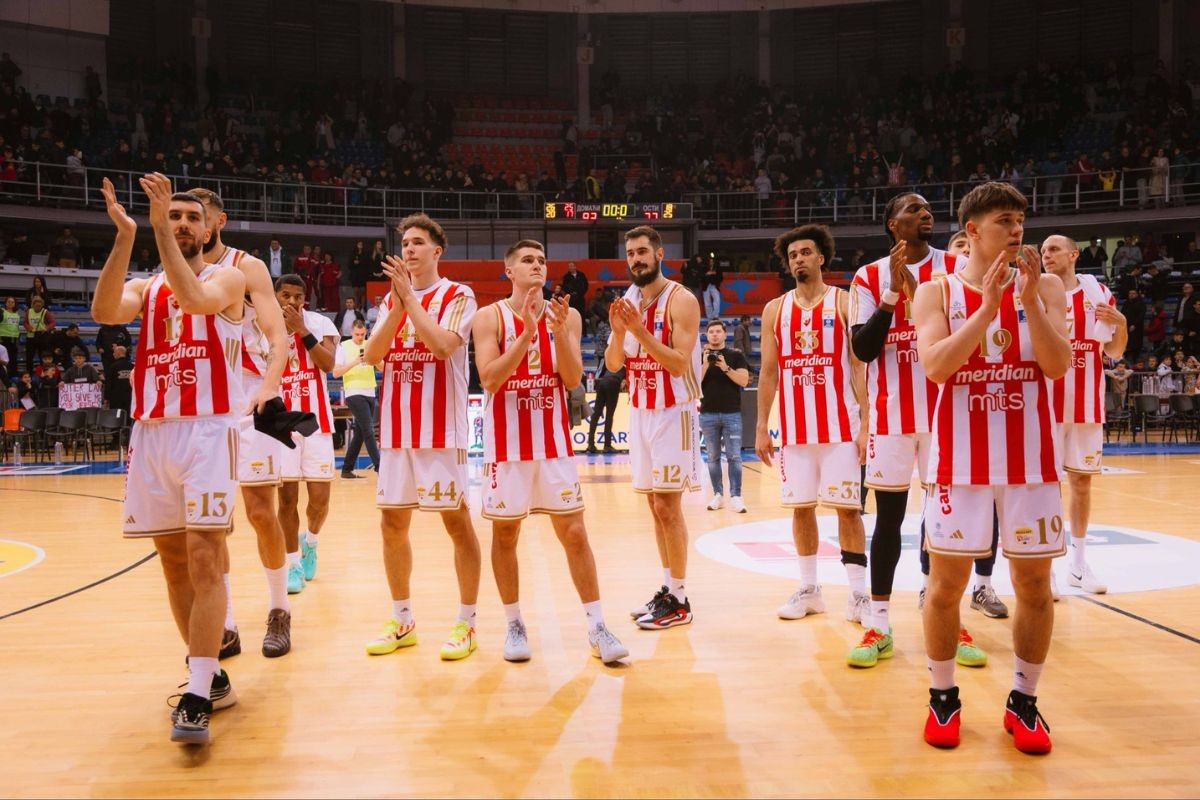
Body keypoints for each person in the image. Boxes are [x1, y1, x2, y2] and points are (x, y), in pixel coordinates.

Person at [913, 181, 1070, 754]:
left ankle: (1024, 700)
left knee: (1034, 586)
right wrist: (985, 309)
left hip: (1032, 462)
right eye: (1005, 220)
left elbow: (1058, 364)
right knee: (945, 586)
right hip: (959, 464)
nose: (1017, 229)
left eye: (1020, 219)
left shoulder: (1045, 286)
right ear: (973, 230)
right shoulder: (936, 291)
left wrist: (1028, 302)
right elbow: (936, 366)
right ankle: (943, 696)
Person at [92, 174, 247, 745]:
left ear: (208, 230)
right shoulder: (146, 285)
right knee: (173, 563)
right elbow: (104, 311)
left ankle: (197, 691)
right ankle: (210, 676)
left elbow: (196, 300)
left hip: (208, 430)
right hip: (153, 431)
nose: (181, 223)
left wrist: (157, 230)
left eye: (190, 218)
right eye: (173, 215)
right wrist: (125, 236)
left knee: (205, 557)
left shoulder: (227, 278)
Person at [846, 193, 995, 670]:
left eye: (928, 209)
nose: (925, 214)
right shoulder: (868, 276)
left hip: (947, 414)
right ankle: (879, 624)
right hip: (890, 416)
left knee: (944, 524)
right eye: (913, 209)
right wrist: (892, 295)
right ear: (893, 224)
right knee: (888, 521)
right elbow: (863, 349)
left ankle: (947, 617)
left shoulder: (956, 267)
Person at [473, 239, 628, 664]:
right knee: (505, 535)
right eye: (527, 260)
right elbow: (490, 379)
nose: (537, 265)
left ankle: (597, 626)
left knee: (575, 534)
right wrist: (526, 334)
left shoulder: (568, 315)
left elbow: (573, 378)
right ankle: (513, 624)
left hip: (554, 443)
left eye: (542, 260)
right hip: (507, 446)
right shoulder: (489, 317)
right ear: (509, 271)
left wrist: (557, 334)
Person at [362, 214, 482, 661]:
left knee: (456, 523)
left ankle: (467, 622)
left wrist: (409, 299)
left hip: (440, 430)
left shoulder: (458, 295)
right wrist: (397, 305)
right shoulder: (391, 300)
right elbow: (372, 355)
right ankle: (403, 620)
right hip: (397, 430)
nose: (408, 249)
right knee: (391, 524)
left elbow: (443, 345)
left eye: (417, 243)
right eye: (405, 243)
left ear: (437, 251)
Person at [190, 187, 292, 661]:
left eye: (200, 217)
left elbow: (278, 334)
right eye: (184, 218)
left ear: (219, 221)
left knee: (260, 511)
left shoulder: (247, 266)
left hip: (250, 396)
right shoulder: (178, 270)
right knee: (212, 523)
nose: (192, 225)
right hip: (202, 404)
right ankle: (225, 623)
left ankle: (279, 609)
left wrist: (270, 386)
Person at [754, 224, 871, 626]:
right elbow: (768, 372)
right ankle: (810, 590)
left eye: (806, 252)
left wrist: (866, 423)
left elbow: (859, 366)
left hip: (840, 428)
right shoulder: (775, 309)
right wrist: (761, 426)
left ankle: (858, 594)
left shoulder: (844, 301)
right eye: (793, 255)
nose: (799, 259)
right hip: (794, 431)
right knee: (801, 509)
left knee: (848, 510)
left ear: (821, 258)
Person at [604, 225, 702, 630]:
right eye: (630, 253)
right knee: (653, 506)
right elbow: (613, 364)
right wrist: (618, 333)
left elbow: (679, 364)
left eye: (642, 251)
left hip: (674, 410)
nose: (636, 259)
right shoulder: (629, 300)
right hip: (642, 409)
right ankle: (667, 588)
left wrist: (639, 331)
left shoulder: (682, 299)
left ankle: (680, 599)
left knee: (667, 506)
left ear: (660, 254)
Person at [1042, 235, 1128, 595]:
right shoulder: (1036, 292)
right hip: (1044, 405)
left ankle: (1078, 565)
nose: (1047, 255)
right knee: (1044, 486)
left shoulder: (1097, 293)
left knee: (1081, 483)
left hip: (1085, 403)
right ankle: (1045, 567)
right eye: (1043, 251)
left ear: (1073, 254)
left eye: (1054, 249)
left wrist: (1121, 324)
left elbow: (1114, 352)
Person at [274, 274, 339, 594]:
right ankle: (292, 564)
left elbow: (328, 365)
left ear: (305, 299)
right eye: (285, 295)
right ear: (275, 296)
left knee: (319, 501)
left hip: (315, 423)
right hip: (280, 423)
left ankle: (310, 542)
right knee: (286, 499)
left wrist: (302, 330)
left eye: (297, 296)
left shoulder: (320, 323)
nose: (291, 301)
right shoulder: (263, 325)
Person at [700, 319, 750, 513]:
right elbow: (693, 383)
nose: (714, 334)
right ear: (707, 335)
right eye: (711, 331)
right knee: (712, 457)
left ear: (724, 334)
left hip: (732, 413)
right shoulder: (701, 357)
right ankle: (718, 495)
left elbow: (744, 381)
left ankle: (736, 496)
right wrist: (706, 364)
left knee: (734, 456)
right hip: (707, 414)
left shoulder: (736, 356)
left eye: (718, 331)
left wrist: (726, 368)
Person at [333, 319, 381, 478]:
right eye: (357, 334)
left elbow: (382, 367)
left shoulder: (370, 345)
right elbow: (336, 373)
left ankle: (346, 469)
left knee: (360, 433)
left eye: (362, 334)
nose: (360, 337)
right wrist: (355, 362)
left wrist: (373, 359)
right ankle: (379, 467)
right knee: (368, 430)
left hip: (370, 391)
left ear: (366, 332)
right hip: (353, 391)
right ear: (351, 333)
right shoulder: (343, 346)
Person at [586, 363, 624, 454]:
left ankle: (590, 444)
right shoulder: (625, 362)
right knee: (609, 415)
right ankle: (607, 445)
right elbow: (625, 382)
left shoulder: (610, 358)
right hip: (614, 382)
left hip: (602, 382)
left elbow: (601, 372)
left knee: (595, 414)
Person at [23, 295, 54, 373]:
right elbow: (25, 322)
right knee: (29, 357)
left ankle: (44, 373)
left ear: (42, 304)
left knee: (42, 357)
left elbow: (53, 323)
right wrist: (29, 328)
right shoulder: (29, 311)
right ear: (33, 304)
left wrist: (47, 328)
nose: (38, 304)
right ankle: (29, 374)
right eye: (36, 303)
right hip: (31, 336)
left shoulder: (45, 312)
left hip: (42, 336)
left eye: (40, 303)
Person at [104, 342, 133, 415]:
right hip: (130, 397)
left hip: (115, 398)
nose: (113, 354)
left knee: (116, 417)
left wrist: (106, 397)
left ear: (119, 353)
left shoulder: (113, 366)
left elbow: (108, 383)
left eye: (114, 352)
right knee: (128, 416)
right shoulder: (132, 366)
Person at [561, 260, 589, 331]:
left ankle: (583, 332)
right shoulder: (566, 277)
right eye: (569, 266)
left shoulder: (581, 275)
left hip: (580, 298)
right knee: (572, 314)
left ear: (575, 267)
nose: (570, 268)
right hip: (572, 299)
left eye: (571, 266)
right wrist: (571, 293)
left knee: (582, 315)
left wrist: (581, 293)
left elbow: (586, 285)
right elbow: (564, 287)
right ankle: (572, 331)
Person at [0, 295, 20, 368]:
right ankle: (5, 373)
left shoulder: (17, 313)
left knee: (13, 357)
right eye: (8, 302)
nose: (10, 303)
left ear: (15, 304)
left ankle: (13, 373)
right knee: (5, 358)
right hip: (4, 338)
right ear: (5, 303)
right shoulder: (1, 312)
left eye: (12, 302)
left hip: (14, 338)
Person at [702, 255, 723, 320]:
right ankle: (710, 317)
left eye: (712, 262)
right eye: (710, 262)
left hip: (714, 286)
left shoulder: (717, 269)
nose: (711, 263)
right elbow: (701, 277)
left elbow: (721, 278)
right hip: (706, 286)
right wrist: (706, 274)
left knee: (717, 300)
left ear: (714, 262)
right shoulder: (704, 268)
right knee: (707, 302)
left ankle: (715, 316)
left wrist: (714, 274)